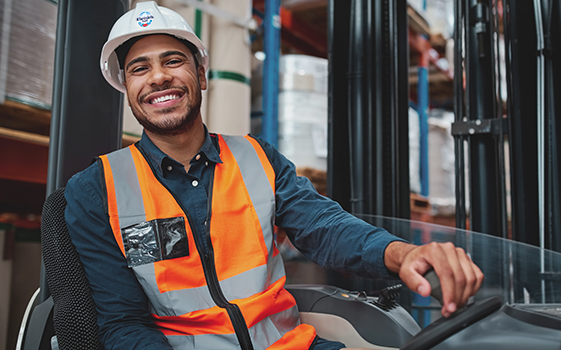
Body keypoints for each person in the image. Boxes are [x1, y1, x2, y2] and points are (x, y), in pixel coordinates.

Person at [64, 2, 484, 350]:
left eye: (173, 61)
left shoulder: (256, 158)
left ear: (202, 75)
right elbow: (122, 325)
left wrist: (404, 254)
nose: (158, 77)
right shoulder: (96, 191)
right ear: (126, 86)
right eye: (140, 68)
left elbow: (325, 228)